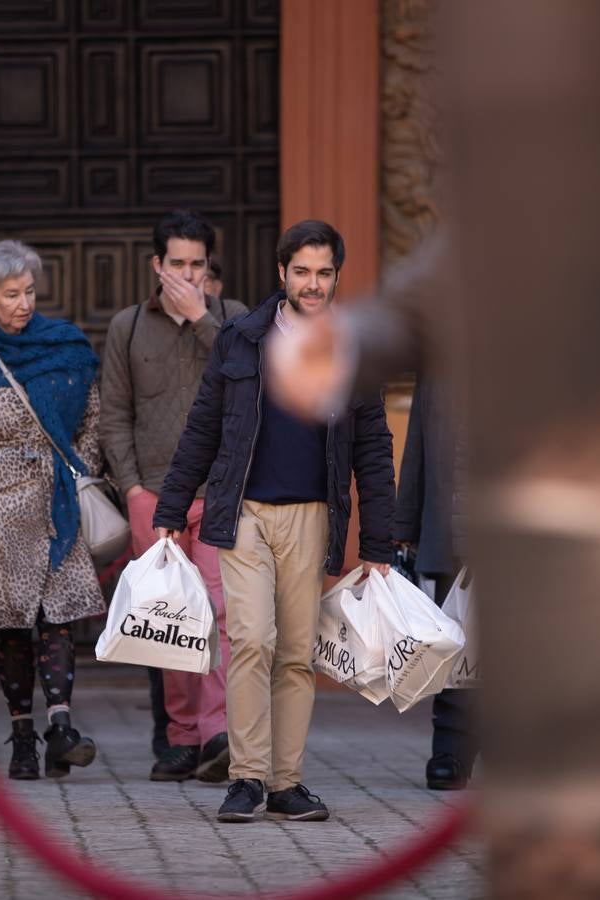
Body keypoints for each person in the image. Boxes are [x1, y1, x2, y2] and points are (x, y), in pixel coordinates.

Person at [153, 220, 397, 823]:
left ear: (336, 277)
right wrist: (171, 509)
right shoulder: (240, 338)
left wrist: (379, 542)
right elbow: (203, 427)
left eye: (323, 274)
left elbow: (372, 445)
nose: (312, 284)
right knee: (251, 640)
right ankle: (246, 777)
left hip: (314, 515)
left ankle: (285, 783)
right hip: (244, 514)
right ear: (281, 273)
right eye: (302, 272)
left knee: (294, 652)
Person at [0, 239, 105, 781]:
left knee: (57, 620)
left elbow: (91, 421)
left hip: (56, 502)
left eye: (29, 291)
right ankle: (23, 739)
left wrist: (81, 468)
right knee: (10, 626)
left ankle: (61, 729)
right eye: (11, 294)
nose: (24, 303)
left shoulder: (65, 346)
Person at [99, 209, 247, 782]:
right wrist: (133, 487)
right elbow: (115, 415)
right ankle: (180, 738)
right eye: (177, 264)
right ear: (156, 265)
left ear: (210, 266)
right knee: (168, 618)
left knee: (221, 614)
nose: (187, 275)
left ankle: (217, 734)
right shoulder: (127, 326)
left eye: (198, 264)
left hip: (219, 491)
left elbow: (250, 376)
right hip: (154, 495)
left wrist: (202, 318)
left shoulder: (233, 319)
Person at [393, 375, 476, 790]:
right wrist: (404, 525)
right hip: (447, 532)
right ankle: (450, 750)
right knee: (451, 649)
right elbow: (417, 449)